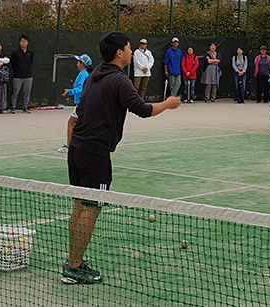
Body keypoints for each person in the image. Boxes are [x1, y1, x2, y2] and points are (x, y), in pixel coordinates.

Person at [62, 31, 181, 284]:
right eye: (128, 47)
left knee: (80, 205)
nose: (130, 51)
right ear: (120, 53)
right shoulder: (119, 80)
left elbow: (79, 111)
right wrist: (168, 104)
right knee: (91, 208)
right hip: (95, 153)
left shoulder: (95, 75)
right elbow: (143, 110)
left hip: (77, 149)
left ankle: (73, 261)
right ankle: (74, 267)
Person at [57, 54, 93, 153]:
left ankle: (69, 146)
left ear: (83, 64)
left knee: (71, 123)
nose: (77, 64)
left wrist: (69, 91)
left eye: (78, 62)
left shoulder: (84, 74)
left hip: (83, 104)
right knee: (82, 125)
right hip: (83, 103)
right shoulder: (83, 73)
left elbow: (81, 89)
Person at [9, 35, 35, 114]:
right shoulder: (15, 53)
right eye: (21, 41)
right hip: (18, 76)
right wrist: (16, 72)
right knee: (15, 91)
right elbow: (13, 64)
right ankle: (13, 107)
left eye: (24, 41)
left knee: (27, 92)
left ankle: (25, 107)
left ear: (27, 42)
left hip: (28, 76)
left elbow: (31, 63)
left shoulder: (30, 53)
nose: (23, 43)